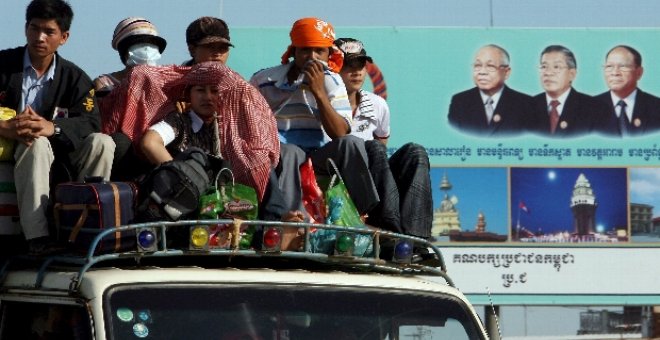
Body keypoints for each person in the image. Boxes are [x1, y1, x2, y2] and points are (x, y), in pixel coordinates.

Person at [0, 0, 114, 255]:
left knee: (103, 142)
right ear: (25, 29)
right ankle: (37, 238)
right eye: (34, 28)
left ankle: (87, 228)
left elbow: (91, 121)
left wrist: (51, 127)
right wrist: (5, 127)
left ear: (64, 37)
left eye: (49, 32)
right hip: (17, 149)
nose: (39, 37)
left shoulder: (76, 78)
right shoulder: (4, 65)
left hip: (61, 152)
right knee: (36, 143)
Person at [249, 17, 379, 220]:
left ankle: (365, 212)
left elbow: (339, 133)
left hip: (319, 155)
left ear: (329, 54)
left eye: (319, 51)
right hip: (281, 153)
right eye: (305, 50)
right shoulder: (264, 80)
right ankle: (292, 220)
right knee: (289, 151)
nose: (312, 57)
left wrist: (319, 91)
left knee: (352, 143)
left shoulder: (333, 81)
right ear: (293, 52)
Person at [335, 37, 432, 239]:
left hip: (373, 185)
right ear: (334, 67)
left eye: (361, 64)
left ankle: (417, 237)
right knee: (372, 148)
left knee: (416, 152)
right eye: (348, 65)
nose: (357, 71)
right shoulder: (323, 102)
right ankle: (389, 230)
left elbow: (382, 153)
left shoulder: (377, 104)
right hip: (338, 182)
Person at [93, 17, 167, 180]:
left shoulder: (166, 82)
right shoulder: (104, 83)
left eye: (151, 44)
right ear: (124, 50)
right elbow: (105, 120)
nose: (147, 49)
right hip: (124, 153)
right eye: (141, 44)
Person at [448, 44, 533, 137]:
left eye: (490, 66)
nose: (482, 72)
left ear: (506, 72)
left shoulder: (527, 104)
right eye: (477, 65)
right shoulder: (460, 102)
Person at [529, 45, 607, 137]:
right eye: (544, 67)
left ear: (572, 74)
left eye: (556, 67)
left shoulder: (595, 109)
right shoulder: (528, 106)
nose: (548, 73)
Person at [594, 45, 660, 137]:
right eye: (609, 66)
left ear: (639, 72)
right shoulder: (589, 108)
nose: (615, 73)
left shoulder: (656, 107)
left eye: (623, 66)